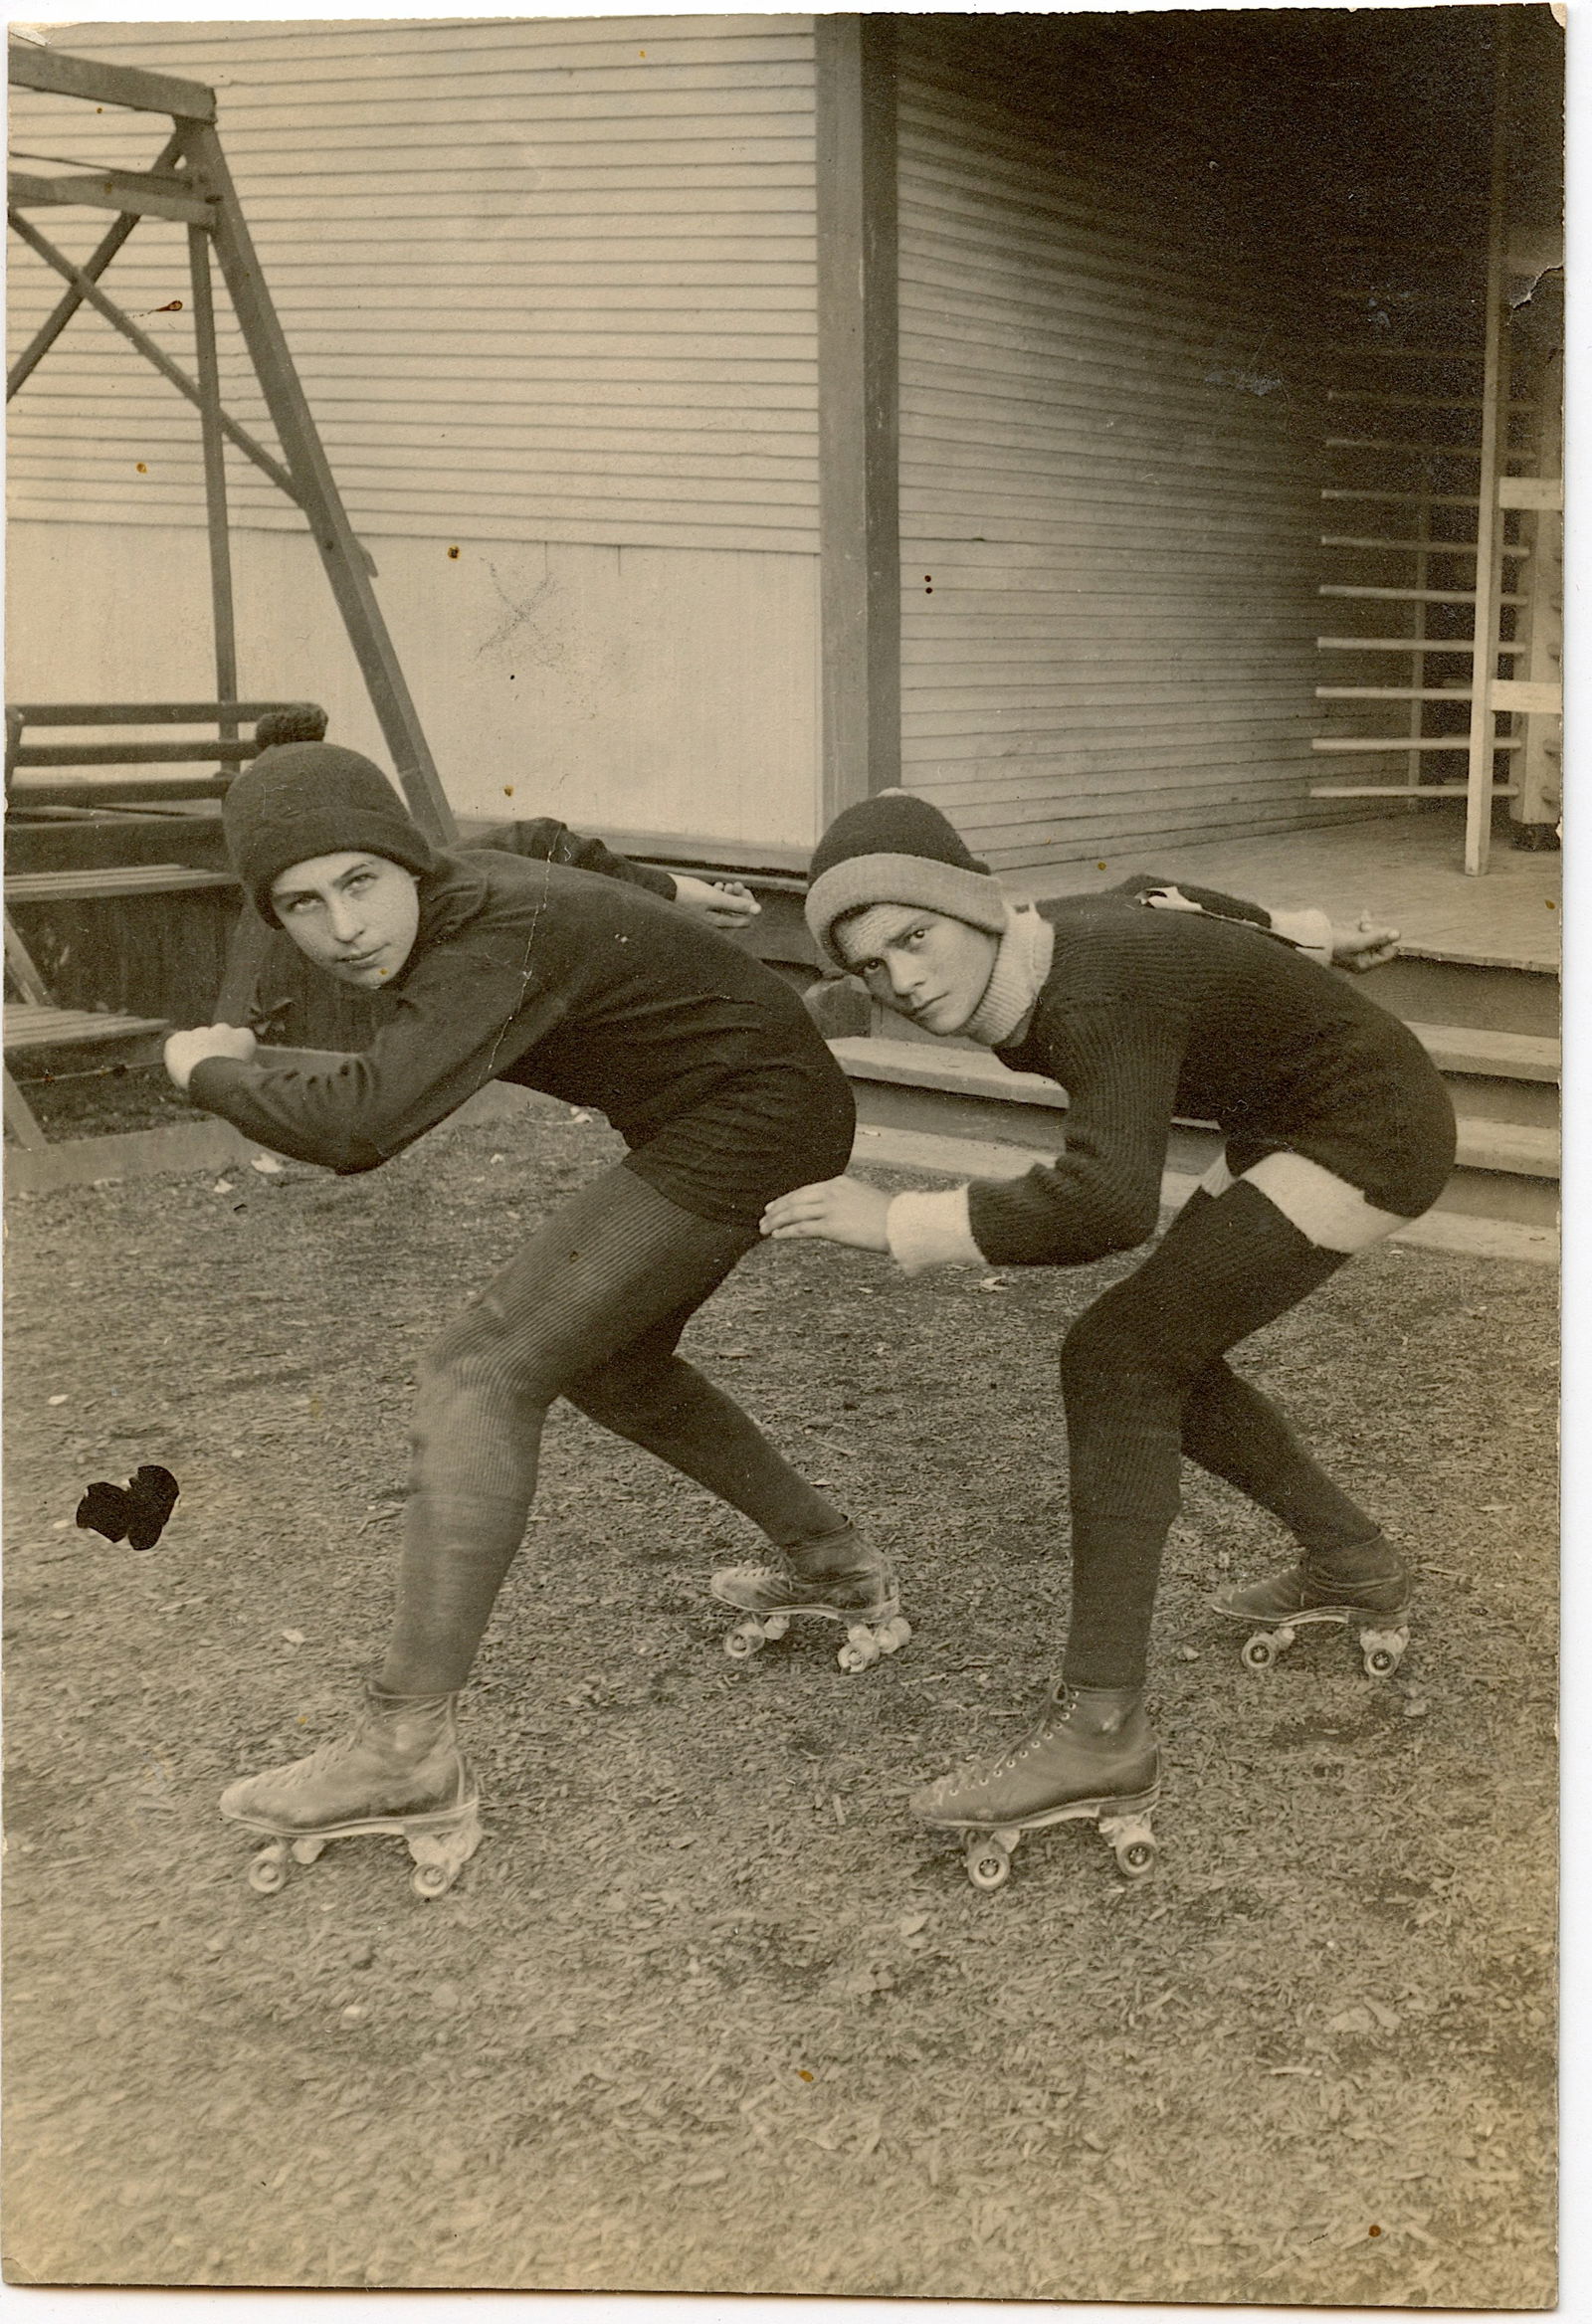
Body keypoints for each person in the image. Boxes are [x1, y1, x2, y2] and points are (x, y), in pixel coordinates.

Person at [167, 741, 902, 1894]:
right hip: (734, 1095)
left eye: (360, 883)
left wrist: (204, 1071)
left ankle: (403, 1745)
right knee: (608, 1363)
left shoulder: (487, 941)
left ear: (409, 864)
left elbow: (359, 1125)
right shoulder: (470, 873)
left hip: (753, 1113)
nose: (344, 928)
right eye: (301, 903)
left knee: (479, 1370)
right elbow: (545, 837)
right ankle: (835, 1561)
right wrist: (661, 887)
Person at [763, 791, 1455, 1883]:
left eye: (916, 937)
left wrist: (895, 1220)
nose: (904, 981)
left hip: (1373, 1129)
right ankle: (1353, 1561)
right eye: (872, 967)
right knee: (1155, 1351)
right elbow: (1164, 895)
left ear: (978, 907)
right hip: (1294, 1121)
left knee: (1120, 1356)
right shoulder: (1053, 938)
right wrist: (1315, 935)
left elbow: (1108, 1203)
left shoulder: (1091, 990)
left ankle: (1100, 1730)